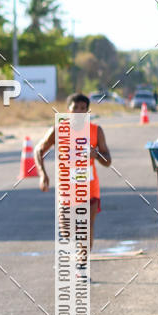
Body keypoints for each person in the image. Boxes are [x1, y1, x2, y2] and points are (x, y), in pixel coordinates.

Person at [34, 92, 111, 249]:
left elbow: (108, 160)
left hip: (90, 189)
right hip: (66, 191)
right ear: (68, 111)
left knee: (86, 227)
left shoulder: (96, 131)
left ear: (87, 112)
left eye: (83, 108)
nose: (79, 111)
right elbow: (38, 150)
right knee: (67, 231)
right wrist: (43, 174)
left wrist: (95, 155)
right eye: (75, 108)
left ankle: (82, 267)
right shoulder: (58, 130)